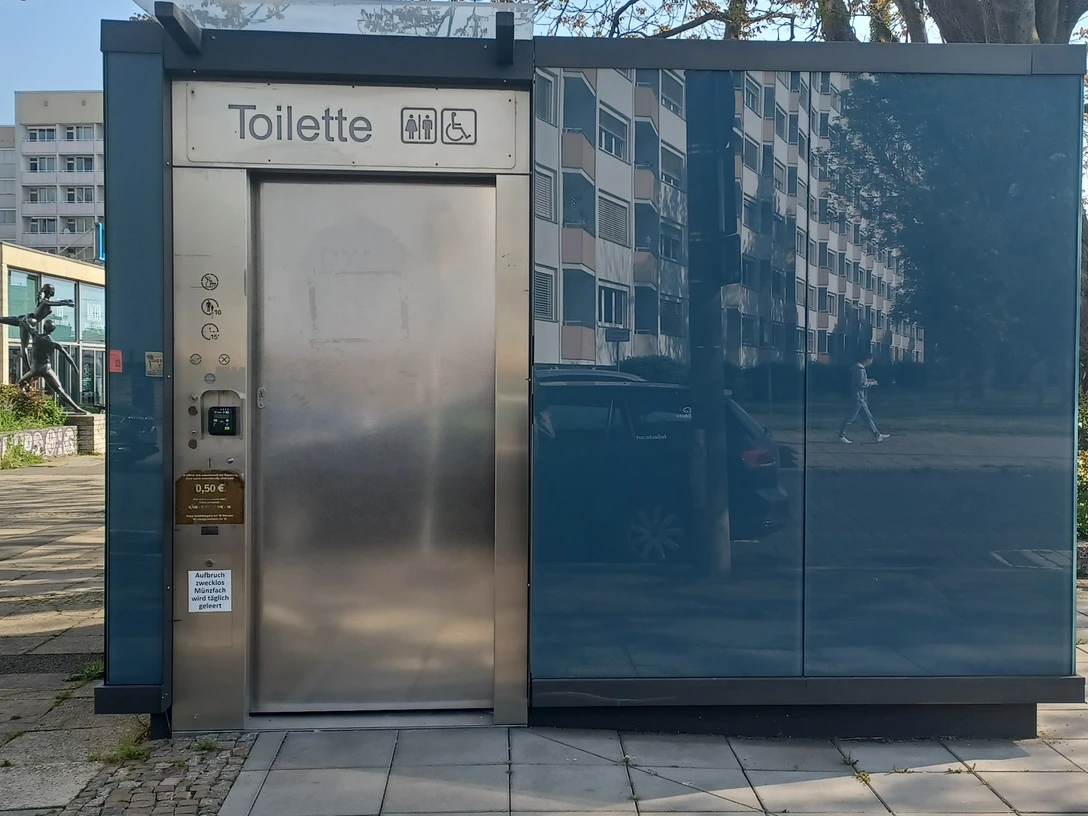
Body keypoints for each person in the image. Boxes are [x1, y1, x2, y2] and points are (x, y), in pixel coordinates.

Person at [839, 352, 889, 444]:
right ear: (867, 359)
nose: (872, 362)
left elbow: (861, 381)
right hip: (857, 397)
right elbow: (862, 384)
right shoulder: (860, 369)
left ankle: (877, 435)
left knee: (868, 417)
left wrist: (870, 380)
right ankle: (841, 436)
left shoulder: (859, 369)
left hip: (861, 398)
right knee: (850, 417)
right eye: (871, 360)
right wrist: (872, 383)